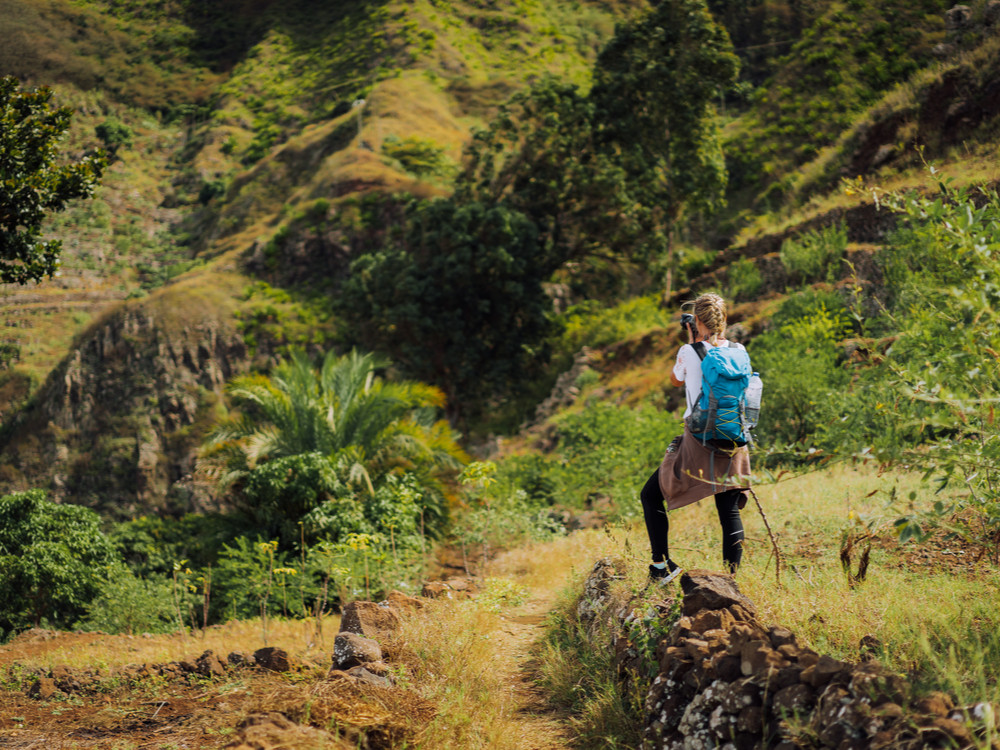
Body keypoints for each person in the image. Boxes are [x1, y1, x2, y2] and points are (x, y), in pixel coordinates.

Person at [640, 293, 751, 583]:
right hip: (734, 437)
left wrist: (691, 343)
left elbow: (675, 380)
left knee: (650, 495)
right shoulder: (740, 350)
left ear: (697, 321)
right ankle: (731, 580)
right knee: (727, 508)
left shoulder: (689, 351)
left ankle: (661, 566)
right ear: (724, 320)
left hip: (699, 440)